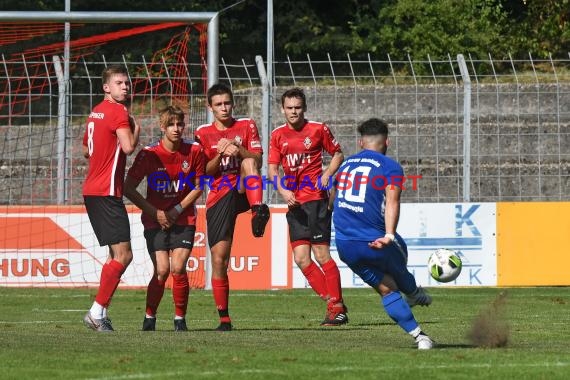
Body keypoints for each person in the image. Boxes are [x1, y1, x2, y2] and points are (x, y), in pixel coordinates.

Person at [331, 117, 434, 349]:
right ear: (386, 142)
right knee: (398, 248)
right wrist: (388, 234)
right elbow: (392, 201)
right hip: (373, 239)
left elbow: (332, 200)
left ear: (360, 142)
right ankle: (414, 292)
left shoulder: (346, 165)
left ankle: (420, 337)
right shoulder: (390, 166)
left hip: (346, 245)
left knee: (386, 288)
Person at [268, 87, 348, 326]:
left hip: (315, 200)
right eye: (289, 108)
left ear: (304, 108)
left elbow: (338, 153)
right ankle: (336, 304)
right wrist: (282, 190)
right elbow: (272, 170)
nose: (293, 112)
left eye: (298, 108)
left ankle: (336, 308)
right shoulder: (277, 135)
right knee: (302, 259)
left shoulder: (317, 129)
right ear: (282, 109)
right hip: (295, 204)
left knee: (321, 254)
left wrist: (327, 173)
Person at [194, 83, 270, 331]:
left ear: (233, 103)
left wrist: (238, 150)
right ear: (210, 107)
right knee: (219, 259)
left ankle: (258, 209)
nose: (224, 108)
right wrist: (220, 154)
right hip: (219, 195)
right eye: (218, 104)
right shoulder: (202, 133)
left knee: (248, 163)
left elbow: (258, 160)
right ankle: (224, 319)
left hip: (242, 188)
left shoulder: (246, 125)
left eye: (227, 103)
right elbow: (204, 172)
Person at [124, 105, 205, 332]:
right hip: (154, 220)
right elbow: (128, 188)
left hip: (183, 217)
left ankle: (180, 319)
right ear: (162, 127)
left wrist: (177, 209)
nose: (176, 129)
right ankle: (150, 316)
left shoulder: (195, 151)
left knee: (178, 268)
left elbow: (200, 186)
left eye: (180, 124)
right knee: (162, 270)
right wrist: (155, 213)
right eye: (171, 124)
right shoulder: (149, 155)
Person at [82, 65, 141, 332]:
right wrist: (135, 129)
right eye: (119, 83)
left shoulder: (95, 111)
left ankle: (101, 313)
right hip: (106, 193)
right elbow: (128, 147)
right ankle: (95, 312)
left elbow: (85, 149)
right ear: (107, 87)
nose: (125, 87)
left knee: (114, 255)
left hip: (94, 191)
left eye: (127, 83)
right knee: (124, 255)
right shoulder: (118, 111)